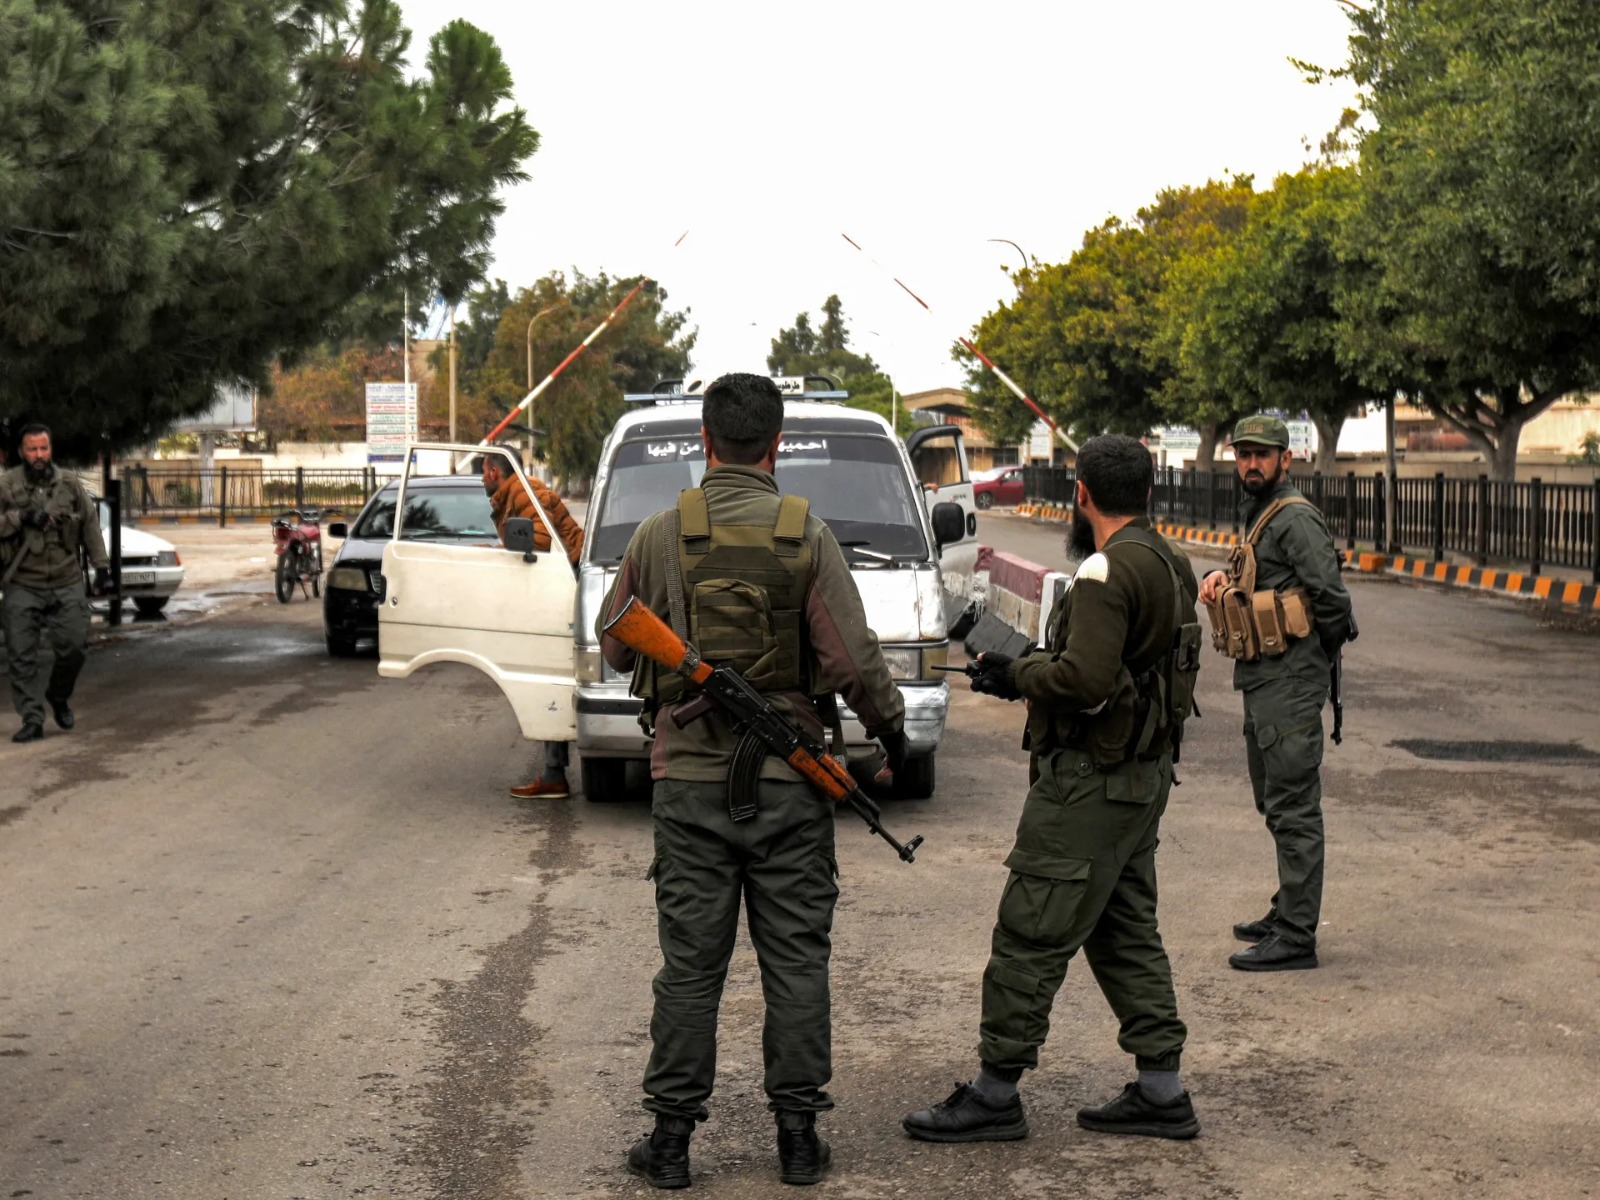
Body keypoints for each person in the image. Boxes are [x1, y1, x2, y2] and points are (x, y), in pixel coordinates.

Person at [597, 372, 907, 1189]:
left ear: (706, 442)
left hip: (688, 786)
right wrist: (892, 729)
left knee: (691, 967)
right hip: (792, 788)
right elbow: (851, 660)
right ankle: (799, 1141)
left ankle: (669, 1144)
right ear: (777, 447)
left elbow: (615, 646)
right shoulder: (808, 536)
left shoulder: (661, 535)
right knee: (797, 961)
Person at [902, 434, 1202, 1145]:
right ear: (1149, 493)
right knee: (1124, 928)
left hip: (1090, 787)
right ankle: (1162, 1090)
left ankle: (994, 1093)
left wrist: (1017, 675)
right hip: (1140, 779)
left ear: (1082, 494)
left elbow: (1084, 681)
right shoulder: (1169, 561)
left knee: (1031, 930)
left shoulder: (1105, 571)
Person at [1197, 414, 1354, 972]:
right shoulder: (1262, 514)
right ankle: (1288, 906)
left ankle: (1296, 935)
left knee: (1293, 806)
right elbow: (1268, 579)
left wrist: (1310, 665)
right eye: (1243, 454)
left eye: (1262, 454)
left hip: (1287, 684)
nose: (1251, 463)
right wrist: (1224, 578)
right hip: (1264, 681)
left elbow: (1334, 603)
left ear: (1287, 459)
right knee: (1274, 799)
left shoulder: (1294, 519)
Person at [476, 452, 585, 800]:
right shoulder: (516, 493)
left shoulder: (525, 491)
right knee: (548, 678)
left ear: (495, 472)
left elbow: (537, 544)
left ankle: (554, 775)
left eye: (483, 472)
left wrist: (504, 550)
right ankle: (553, 773)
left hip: (563, 585)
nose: (481, 479)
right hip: (560, 583)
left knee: (547, 678)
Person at [0, 424, 109, 743]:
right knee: (21, 654)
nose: (38, 455)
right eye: (32, 449)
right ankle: (32, 717)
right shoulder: (6, 485)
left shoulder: (69, 484)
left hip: (66, 578)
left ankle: (58, 696)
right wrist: (20, 518)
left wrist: (101, 566)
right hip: (22, 581)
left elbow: (90, 524)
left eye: (43, 448)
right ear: (22, 452)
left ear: (51, 450)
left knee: (74, 646)